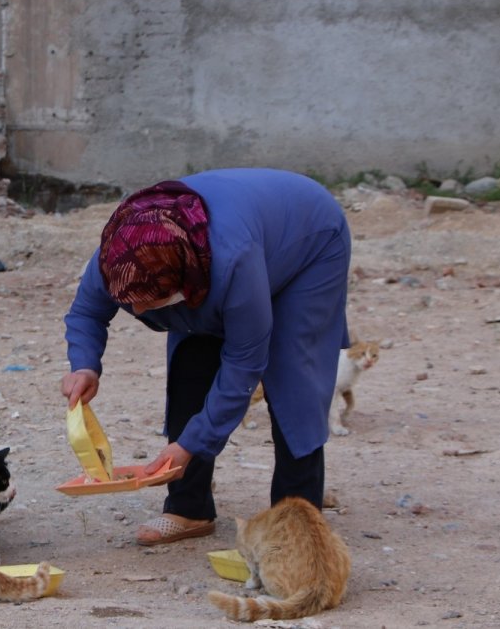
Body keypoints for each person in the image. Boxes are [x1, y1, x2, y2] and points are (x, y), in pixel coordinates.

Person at [61, 168, 351, 545]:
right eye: (129, 304)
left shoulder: (233, 266)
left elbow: (244, 367)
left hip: (309, 240)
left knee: (294, 376)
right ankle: (189, 508)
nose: (139, 310)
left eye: (149, 303)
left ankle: (296, 521)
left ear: (182, 280)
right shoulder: (119, 256)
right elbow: (86, 312)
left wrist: (192, 445)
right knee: (190, 363)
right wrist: (84, 365)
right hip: (230, 242)